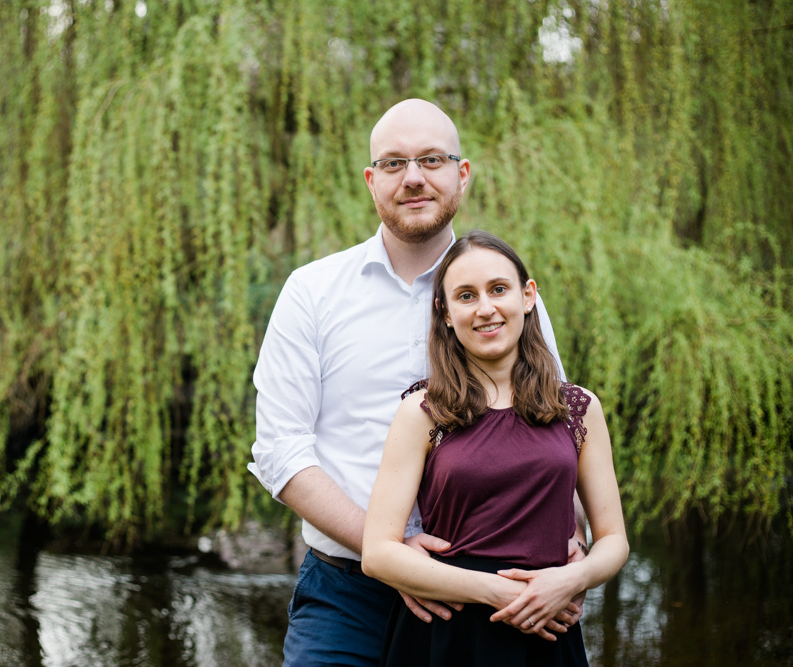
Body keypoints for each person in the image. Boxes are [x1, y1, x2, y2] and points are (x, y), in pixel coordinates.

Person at [249, 98, 587, 666]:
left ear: (462, 174)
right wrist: (390, 550)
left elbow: (551, 425)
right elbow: (280, 451)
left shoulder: (503, 297)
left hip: (488, 596)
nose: (413, 178)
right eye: (393, 164)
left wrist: (571, 543)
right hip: (346, 595)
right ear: (370, 181)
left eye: (431, 159)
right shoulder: (312, 292)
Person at [361, 230, 630, 666]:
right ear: (445, 313)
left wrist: (570, 580)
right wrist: (500, 592)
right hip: (448, 632)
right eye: (465, 296)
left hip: (548, 626)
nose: (485, 308)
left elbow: (614, 539)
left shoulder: (578, 408)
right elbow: (378, 552)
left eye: (498, 290)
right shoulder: (424, 411)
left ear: (527, 296)